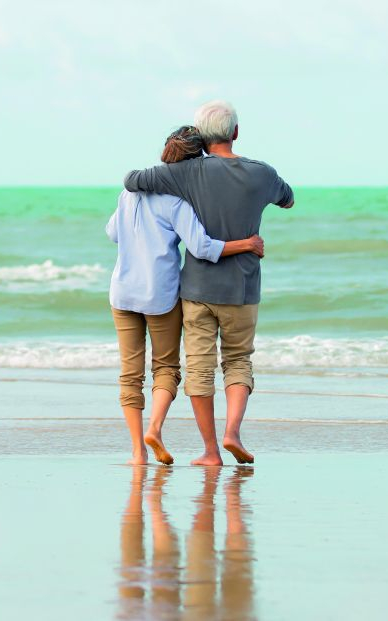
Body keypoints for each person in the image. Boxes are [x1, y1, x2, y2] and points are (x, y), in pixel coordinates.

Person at [124, 100, 294, 466]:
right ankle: (233, 431)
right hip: (244, 289)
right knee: (238, 361)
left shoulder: (186, 174)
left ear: (202, 136)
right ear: (235, 133)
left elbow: (133, 180)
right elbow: (288, 199)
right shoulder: (262, 173)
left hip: (198, 290)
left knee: (199, 368)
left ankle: (212, 451)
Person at [106, 126, 264, 466]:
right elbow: (203, 248)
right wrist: (247, 244)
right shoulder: (177, 201)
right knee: (166, 367)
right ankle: (155, 428)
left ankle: (137, 451)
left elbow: (112, 233)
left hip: (122, 292)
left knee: (130, 372)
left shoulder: (127, 195)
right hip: (159, 295)